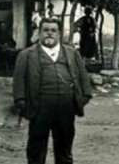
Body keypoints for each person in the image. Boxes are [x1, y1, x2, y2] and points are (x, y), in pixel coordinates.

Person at [13, 18, 92, 164]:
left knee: (64, 148)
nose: (49, 33)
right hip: (39, 108)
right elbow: (18, 82)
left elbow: (83, 78)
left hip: (66, 109)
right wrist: (22, 103)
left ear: (59, 34)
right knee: (36, 149)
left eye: (53, 30)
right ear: (39, 32)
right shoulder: (26, 55)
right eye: (46, 30)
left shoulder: (71, 53)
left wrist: (82, 99)